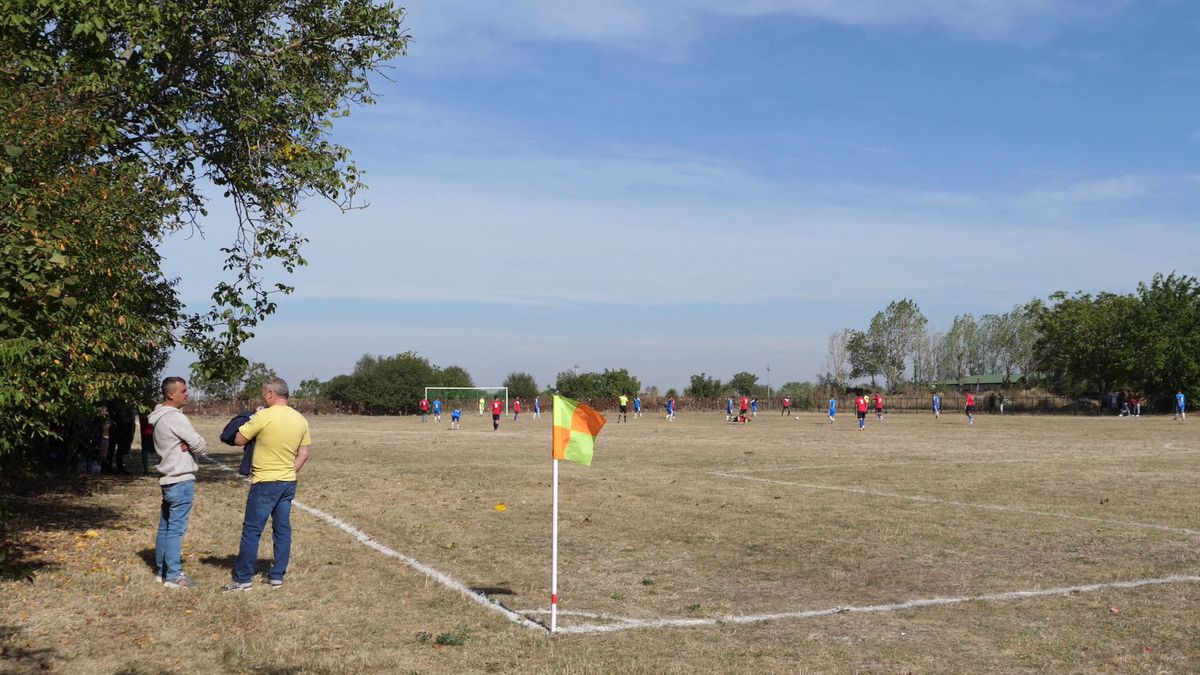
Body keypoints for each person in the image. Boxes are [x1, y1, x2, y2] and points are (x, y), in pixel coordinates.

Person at [223, 378, 311, 592]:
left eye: (264, 393)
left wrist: (252, 417)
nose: (263, 396)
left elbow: (238, 439)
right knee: (282, 529)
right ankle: (277, 575)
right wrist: (289, 471)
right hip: (287, 482)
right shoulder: (300, 419)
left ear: (271, 394)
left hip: (264, 482)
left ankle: (243, 579)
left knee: (252, 530)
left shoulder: (263, 416)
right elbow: (304, 454)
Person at [149, 377, 208, 589]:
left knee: (165, 526)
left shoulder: (159, 417)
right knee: (175, 529)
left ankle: (162, 570)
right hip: (180, 479)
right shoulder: (175, 417)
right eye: (183, 391)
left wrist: (188, 445)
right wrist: (193, 446)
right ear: (170, 394)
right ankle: (174, 575)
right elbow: (200, 444)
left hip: (168, 479)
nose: (187, 394)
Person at [138, 410, 155, 476]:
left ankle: (146, 471)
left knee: (146, 450)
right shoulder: (143, 409)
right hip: (147, 432)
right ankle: (146, 471)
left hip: (152, 431)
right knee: (145, 451)